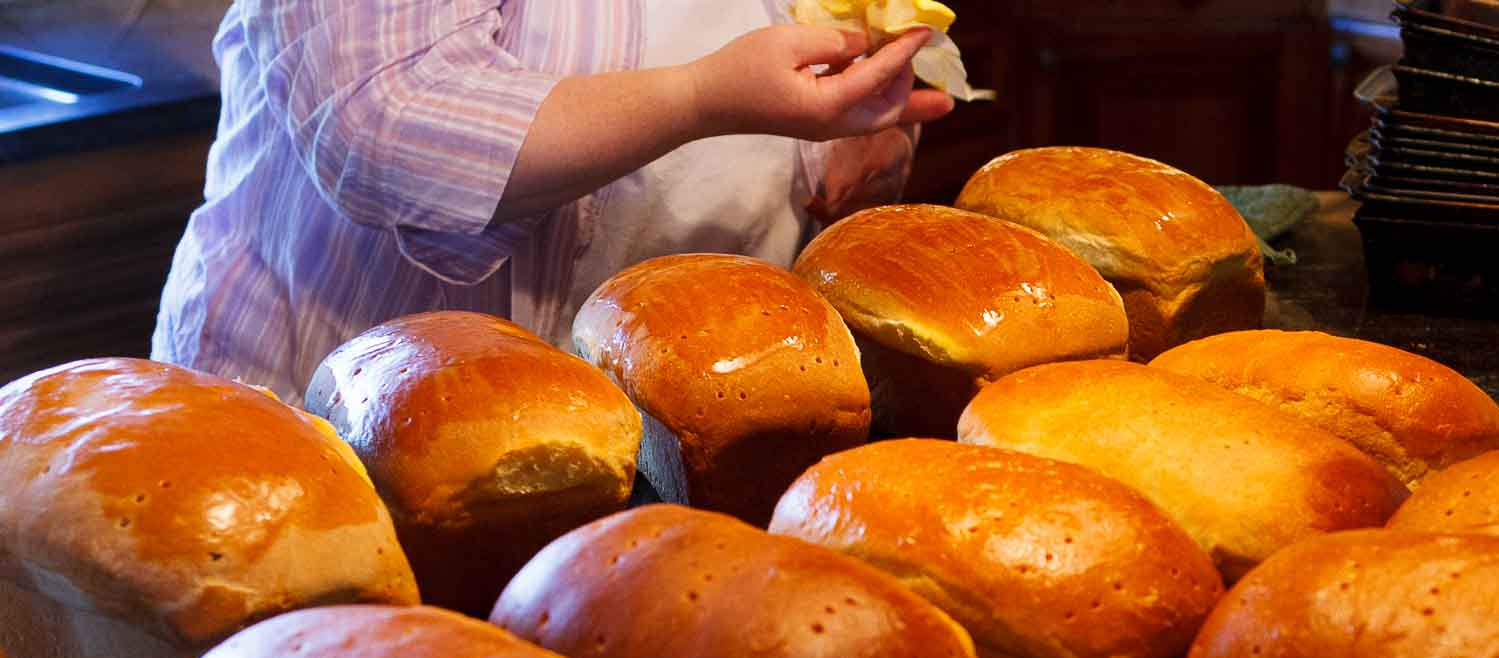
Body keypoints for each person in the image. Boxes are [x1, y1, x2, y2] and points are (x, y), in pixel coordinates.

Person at [152, 1, 954, 399]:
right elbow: (382, 123)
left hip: (679, 406)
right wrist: (702, 98)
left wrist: (856, 121)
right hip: (350, 415)